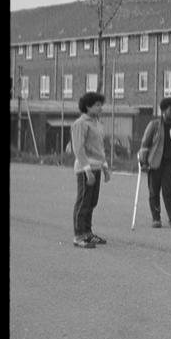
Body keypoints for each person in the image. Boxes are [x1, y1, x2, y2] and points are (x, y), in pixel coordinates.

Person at [137, 97, 171, 229]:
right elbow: (145, 144)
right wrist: (143, 162)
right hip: (154, 163)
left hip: (169, 164)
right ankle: (156, 218)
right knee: (154, 192)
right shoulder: (154, 125)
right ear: (163, 110)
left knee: (169, 192)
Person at [70, 91, 110, 249]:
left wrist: (105, 167)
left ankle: (87, 233)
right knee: (83, 201)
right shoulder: (81, 123)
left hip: (97, 167)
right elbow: (78, 148)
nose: (101, 108)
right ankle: (78, 235)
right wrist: (87, 170)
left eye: (101, 105)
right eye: (97, 105)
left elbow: (100, 148)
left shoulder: (97, 123)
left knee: (92, 202)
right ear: (88, 106)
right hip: (85, 169)